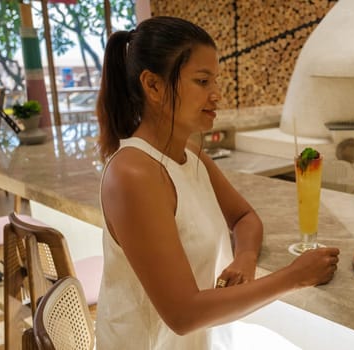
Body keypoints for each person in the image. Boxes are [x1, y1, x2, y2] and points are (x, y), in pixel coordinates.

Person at [95, 16, 340, 349]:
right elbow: (183, 314)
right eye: (202, 81)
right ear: (153, 86)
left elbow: (244, 218)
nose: (217, 94)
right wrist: (294, 277)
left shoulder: (191, 156)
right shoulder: (133, 174)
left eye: (215, 80)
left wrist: (245, 258)